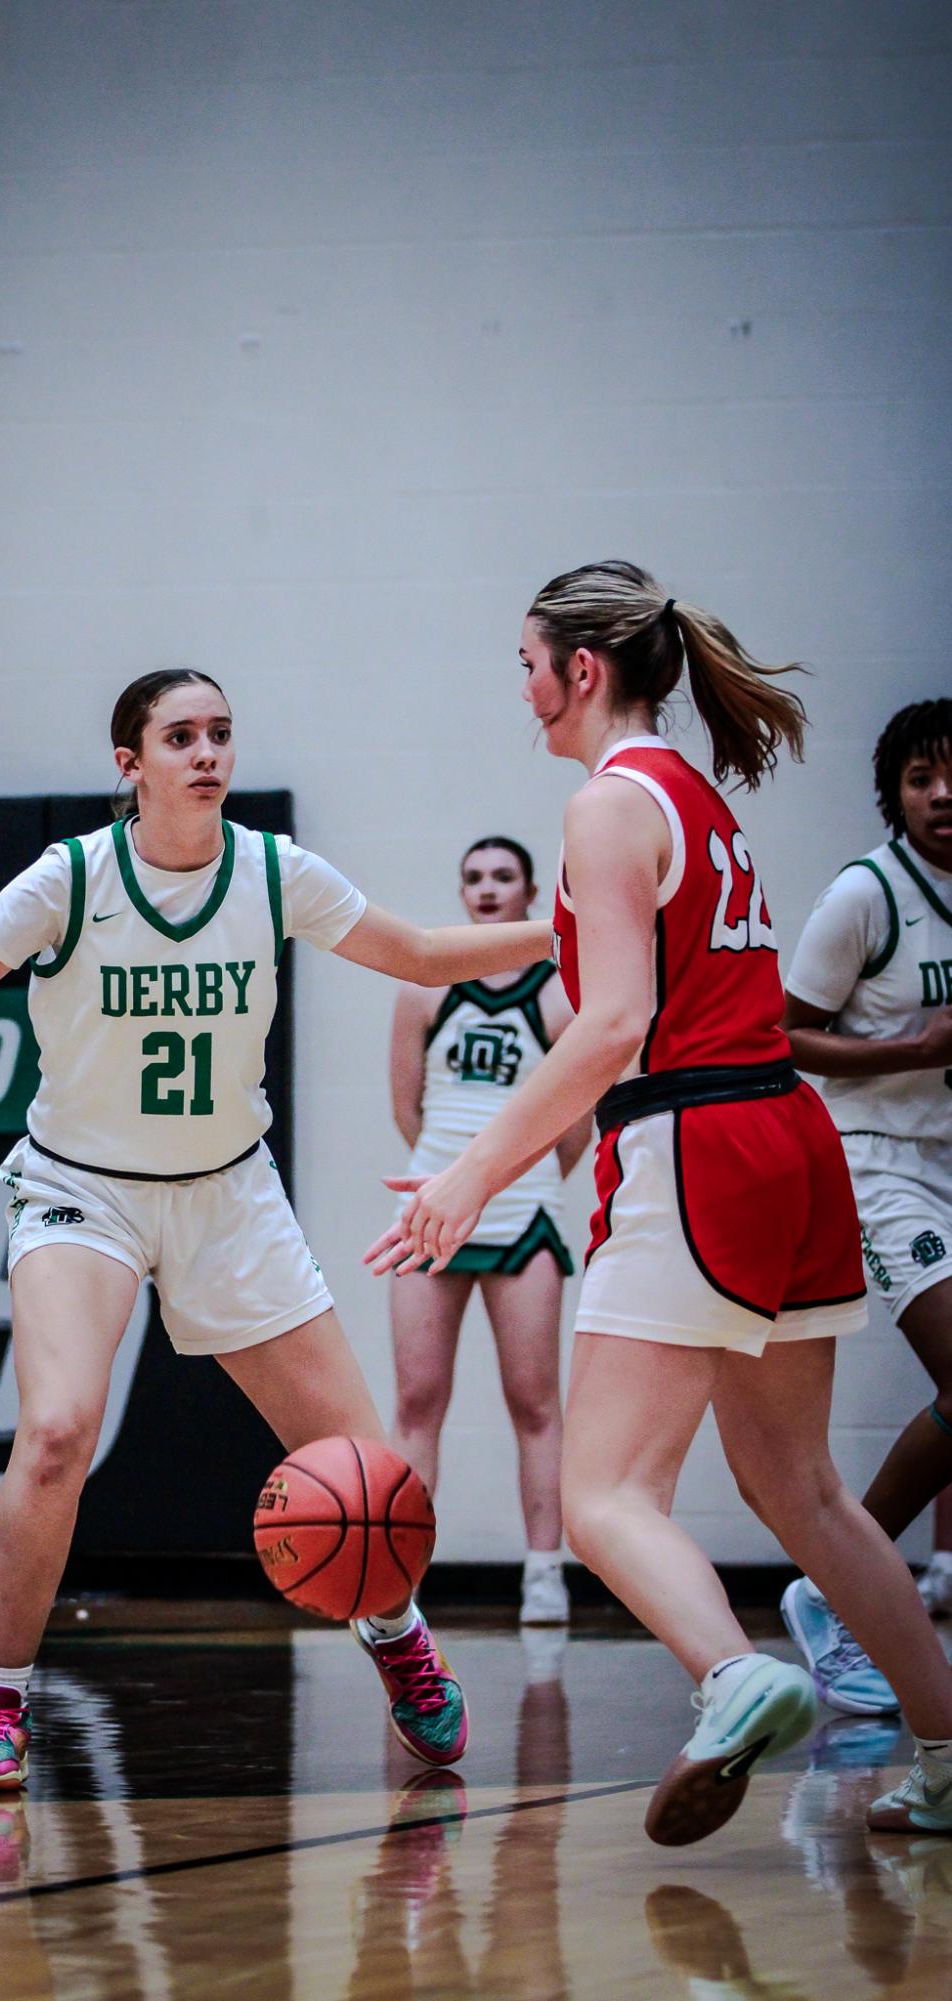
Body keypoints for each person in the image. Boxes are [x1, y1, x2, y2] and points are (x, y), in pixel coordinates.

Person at [0, 668, 555, 1791]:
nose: (206, 753)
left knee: (360, 1467)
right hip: (78, 1190)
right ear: (128, 765)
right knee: (54, 1435)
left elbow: (427, 956)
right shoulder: (70, 877)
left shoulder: (272, 871)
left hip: (228, 1194)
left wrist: (567, 931)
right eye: (179, 736)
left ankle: (400, 1647)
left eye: (220, 734)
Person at [367, 561, 952, 1843]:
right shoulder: (691, 794)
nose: (520, 691)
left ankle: (733, 1675)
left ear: (582, 670)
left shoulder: (604, 807)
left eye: (528, 664)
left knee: (603, 1496)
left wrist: (470, 1172)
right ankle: (948, 1750)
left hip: (695, 1145)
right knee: (802, 1489)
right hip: (789, 1140)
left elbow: (615, 1022)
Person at [778, 700, 952, 1699]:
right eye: (920, 778)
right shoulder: (863, 895)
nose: (940, 796)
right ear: (891, 792)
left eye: (951, 777)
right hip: (875, 1160)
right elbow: (777, 1032)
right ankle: (831, 1585)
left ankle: (835, 1586)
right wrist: (903, 1050)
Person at [387, 835, 589, 1624]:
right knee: (418, 1398)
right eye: (473, 876)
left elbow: (574, 1122)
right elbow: (408, 1106)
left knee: (533, 1401)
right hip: (434, 1206)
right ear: (463, 893)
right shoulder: (424, 990)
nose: (487, 888)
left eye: (503, 875)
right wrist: (447, 1178)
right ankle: (401, 1579)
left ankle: (544, 1571)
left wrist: (517, 1177)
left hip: (522, 1211)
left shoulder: (559, 993)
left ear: (530, 890)